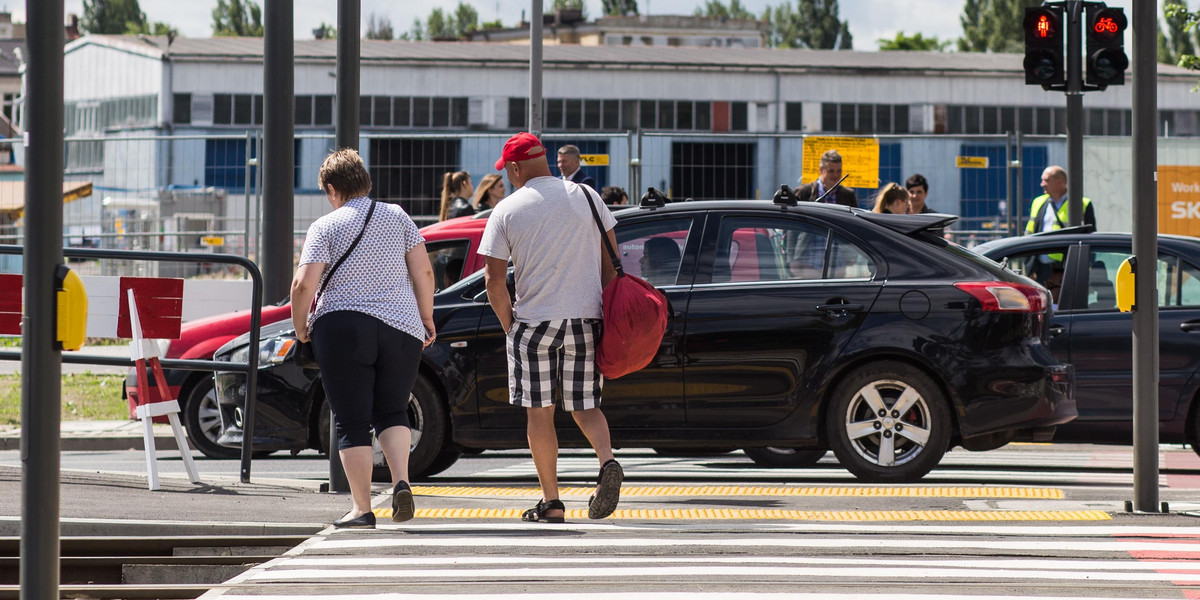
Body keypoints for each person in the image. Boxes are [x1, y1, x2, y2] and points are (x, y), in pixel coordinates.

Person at [479, 132, 623, 523]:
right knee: (586, 405)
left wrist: (510, 325)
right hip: (585, 318)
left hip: (533, 321)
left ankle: (552, 502)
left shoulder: (507, 209)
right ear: (545, 158)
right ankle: (607, 462)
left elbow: (493, 280)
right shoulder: (588, 196)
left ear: (514, 167)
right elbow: (611, 260)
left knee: (539, 414)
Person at [291, 148, 437, 530]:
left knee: (352, 420)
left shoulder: (325, 226)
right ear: (366, 181)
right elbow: (423, 272)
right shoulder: (399, 216)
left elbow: (303, 284)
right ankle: (402, 481)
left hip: (343, 327)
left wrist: (300, 326)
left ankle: (361, 507)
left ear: (331, 188)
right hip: (402, 327)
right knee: (392, 410)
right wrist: (425, 316)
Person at [1026, 165, 1096, 234]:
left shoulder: (1083, 203)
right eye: (1042, 180)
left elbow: (1090, 234)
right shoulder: (1038, 202)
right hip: (1042, 245)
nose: (1042, 184)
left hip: (1065, 245)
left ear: (1059, 182)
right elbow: (1029, 231)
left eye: (1046, 180)